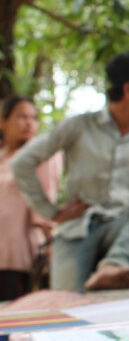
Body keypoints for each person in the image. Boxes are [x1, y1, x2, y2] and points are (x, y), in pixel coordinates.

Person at [12, 51, 129, 292]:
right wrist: (51, 212)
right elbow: (21, 163)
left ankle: (114, 267)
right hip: (78, 227)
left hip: (123, 225)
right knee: (63, 305)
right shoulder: (78, 126)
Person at [0, 96, 62, 300]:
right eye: (21, 117)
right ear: (3, 121)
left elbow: (44, 202)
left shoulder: (42, 155)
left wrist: (52, 243)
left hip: (18, 254)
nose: (29, 123)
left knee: (13, 319)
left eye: (34, 118)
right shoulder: (3, 157)